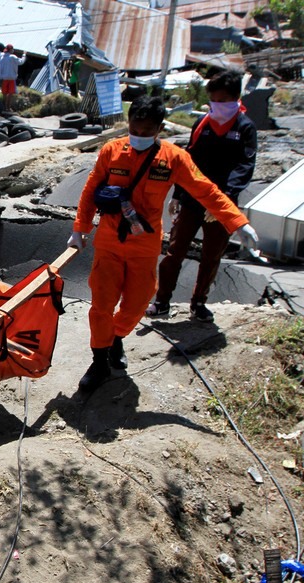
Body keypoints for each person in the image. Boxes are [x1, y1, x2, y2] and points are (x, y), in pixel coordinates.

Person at [67, 95, 259, 393]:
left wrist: (237, 222)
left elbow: (205, 190)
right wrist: (80, 228)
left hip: (145, 244)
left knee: (138, 303)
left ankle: (116, 336)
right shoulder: (112, 151)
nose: (139, 136)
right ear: (128, 124)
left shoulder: (173, 158)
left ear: (159, 128)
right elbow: (92, 188)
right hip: (109, 242)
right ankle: (99, 361)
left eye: (147, 131)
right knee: (101, 305)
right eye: (134, 128)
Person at [146, 71, 257, 323]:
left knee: (211, 255)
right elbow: (188, 162)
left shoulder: (245, 128)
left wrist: (223, 200)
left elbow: (244, 166)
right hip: (192, 201)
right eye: (213, 101)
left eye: (221, 100)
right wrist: (177, 194)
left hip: (222, 203)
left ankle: (199, 303)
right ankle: (162, 301)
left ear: (235, 99)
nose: (216, 106)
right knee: (175, 250)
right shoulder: (203, 125)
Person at [0, 44, 26, 113]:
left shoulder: (2, 58)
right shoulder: (12, 57)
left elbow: (0, 68)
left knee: (4, 93)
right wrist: (24, 55)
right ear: (10, 50)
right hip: (11, 78)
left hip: (4, 78)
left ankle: (3, 107)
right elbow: (21, 62)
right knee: (10, 93)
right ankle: (8, 108)